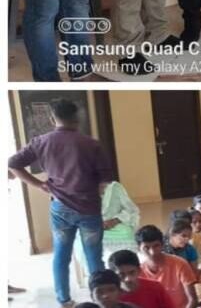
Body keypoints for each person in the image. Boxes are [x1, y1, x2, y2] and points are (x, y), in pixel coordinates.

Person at [8, 99, 113, 306]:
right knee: (94, 256)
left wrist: (38, 184)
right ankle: (101, 299)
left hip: (60, 209)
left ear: (52, 119)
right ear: (77, 118)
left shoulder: (41, 141)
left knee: (61, 255)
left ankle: (64, 300)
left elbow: (13, 163)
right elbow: (105, 180)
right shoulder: (92, 144)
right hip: (89, 208)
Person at [75, 181, 140, 274]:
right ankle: (97, 272)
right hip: (91, 228)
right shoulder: (79, 189)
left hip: (115, 226)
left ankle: (126, 268)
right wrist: (95, 224)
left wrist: (115, 220)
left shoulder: (115, 187)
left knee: (127, 233)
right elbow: (76, 216)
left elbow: (132, 210)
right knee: (86, 240)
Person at [136, 225, 198, 308]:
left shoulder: (180, 264)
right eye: (146, 248)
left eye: (156, 246)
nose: (152, 252)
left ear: (162, 245)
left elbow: (193, 300)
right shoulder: (138, 272)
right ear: (139, 249)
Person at [108, 249, 175, 308]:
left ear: (139, 270)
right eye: (121, 274)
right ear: (113, 275)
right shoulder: (110, 296)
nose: (128, 279)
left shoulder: (156, 288)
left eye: (132, 272)